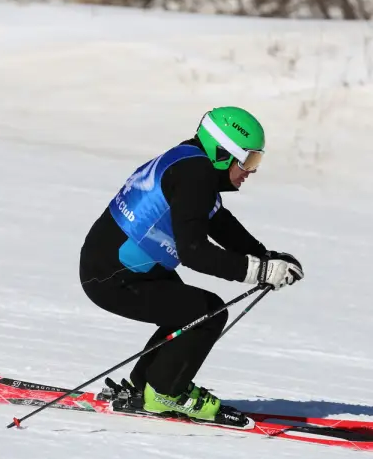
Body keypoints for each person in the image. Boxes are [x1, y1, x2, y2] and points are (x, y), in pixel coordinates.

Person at [78, 106, 304, 425]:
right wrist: (259, 271)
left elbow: (219, 222)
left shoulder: (191, 164)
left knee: (189, 309)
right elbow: (195, 253)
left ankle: (146, 386)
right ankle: (166, 393)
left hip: (117, 267)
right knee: (206, 311)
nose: (252, 170)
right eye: (249, 160)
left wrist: (264, 256)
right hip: (112, 276)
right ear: (223, 153)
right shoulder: (195, 175)